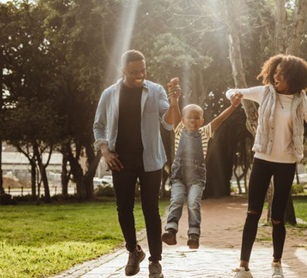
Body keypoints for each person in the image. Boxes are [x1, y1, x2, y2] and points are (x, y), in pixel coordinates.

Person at [226, 54, 307, 278]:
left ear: (294, 77)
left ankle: (276, 265)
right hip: (262, 158)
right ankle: (243, 266)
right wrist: (233, 95)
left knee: (278, 217)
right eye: (275, 71)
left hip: (286, 163)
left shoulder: (301, 100)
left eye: (282, 73)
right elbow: (235, 91)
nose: (276, 76)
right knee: (252, 212)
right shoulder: (265, 93)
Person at [93, 49, 181, 277]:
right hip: (120, 160)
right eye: (134, 72)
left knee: (151, 210)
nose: (140, 75)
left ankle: (155, 261)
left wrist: (174, 103)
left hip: (150, 159)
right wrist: (105, 151)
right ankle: (133, 251)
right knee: (124, 210)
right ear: (123, 70)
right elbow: (98, 125)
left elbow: (170, 123)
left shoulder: (156, 90)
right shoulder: (110, 94)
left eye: (143, 70)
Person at [161, 94, 242, 249]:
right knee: (176, 200)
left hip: (197, 178)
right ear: (183, 121)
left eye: (197, 118)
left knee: (193, 203)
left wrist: (233, 106)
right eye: (189, 118)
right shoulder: (178, 130)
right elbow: (175, 110)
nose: (193, 121)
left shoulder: (205, 132)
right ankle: (171, 230)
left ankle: (193, 235)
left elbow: (220, 118)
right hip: (178, 176)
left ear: (202, 121)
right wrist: (175, 99)